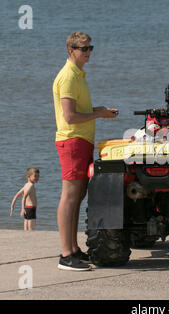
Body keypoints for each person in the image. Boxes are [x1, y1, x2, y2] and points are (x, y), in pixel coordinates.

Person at [53, 32, 118, 271]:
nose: (88, 52)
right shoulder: (68, 76)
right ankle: (65, 254)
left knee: (78, 196)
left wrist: (98, 110)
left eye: (91, 47)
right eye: (83, 48)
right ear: (71, 50)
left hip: (81, 141)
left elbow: (77, 111)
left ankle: (74, 249)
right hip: (71, 141)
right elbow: (69, 117)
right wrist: (98, 114)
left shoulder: (79, 75)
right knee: (69, 196)